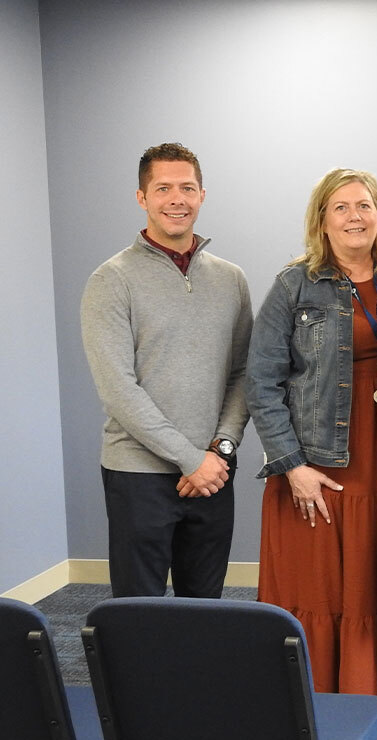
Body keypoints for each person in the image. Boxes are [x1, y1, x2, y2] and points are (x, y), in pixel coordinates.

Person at [246, 168, 377, 734]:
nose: (355, 216)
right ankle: (315, 708)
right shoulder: (294, 285)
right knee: (319, 588)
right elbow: (261, 383)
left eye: (365, 205)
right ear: (322, 218)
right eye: (342, 207)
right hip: (319, 461)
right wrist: (292, 465)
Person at [81, 142, 252, 598]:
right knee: (138, 615)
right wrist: (188, 457)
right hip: (138, 473)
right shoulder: (111, 280)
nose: (177, 198)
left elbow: (242, 373)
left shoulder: (231, 279)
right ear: (142, 198)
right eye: (163, 188)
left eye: (187, 188)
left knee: (205, 607)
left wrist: (219, 449)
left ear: (202, 195)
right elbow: (119, 389)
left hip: (213, 471)